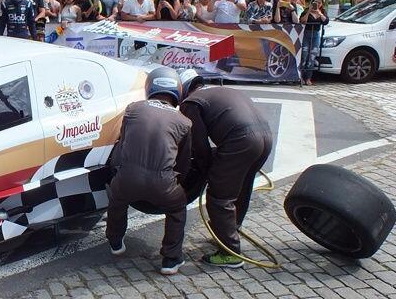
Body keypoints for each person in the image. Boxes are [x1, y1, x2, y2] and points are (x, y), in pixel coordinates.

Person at [178, 69, 272, 268]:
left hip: (242, 141)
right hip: (265, 139)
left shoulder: (191, 103)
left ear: (183, 89)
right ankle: (229, 231)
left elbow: (199, 146)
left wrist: (204, 172)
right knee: (241, 189)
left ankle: (230, 252)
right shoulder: (221, 91)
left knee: (219, 197)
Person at [105, 67, 191, 275]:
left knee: (117, 199)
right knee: (178, 208)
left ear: (149, 87)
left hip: (127, 179)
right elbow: (183, 163)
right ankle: (171, 259)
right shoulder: (184, 122)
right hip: (163, 184)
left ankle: (115, 241)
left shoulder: (133, 109)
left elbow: (122, 145)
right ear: (178, 91)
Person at [299, 0, 329, 85]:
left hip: (315, 35)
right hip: (306, 34)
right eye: (316, 2)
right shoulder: (306, 11)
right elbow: (302, 20)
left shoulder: (322, 12)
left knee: (312, 56)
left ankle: (308, 77)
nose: (318, 4)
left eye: (320, 3)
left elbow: (326, 21)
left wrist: (319, 13)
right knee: (304, 55)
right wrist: (309, 11)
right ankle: (301, 76)